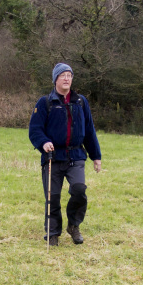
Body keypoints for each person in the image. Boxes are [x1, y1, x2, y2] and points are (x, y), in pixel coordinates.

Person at [29, 63, 102, 247]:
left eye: (69, 75)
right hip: (53, 157)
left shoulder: (80, 102)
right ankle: (53, 233)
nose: (67, 79)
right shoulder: (45, 102)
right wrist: (43, 142)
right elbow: (35, 130)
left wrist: (96, 156)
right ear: (55, 79)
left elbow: (90, 131)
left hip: (76, 155)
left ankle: (73, 225)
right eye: (63, 75)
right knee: (52, 196)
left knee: (79, 190)